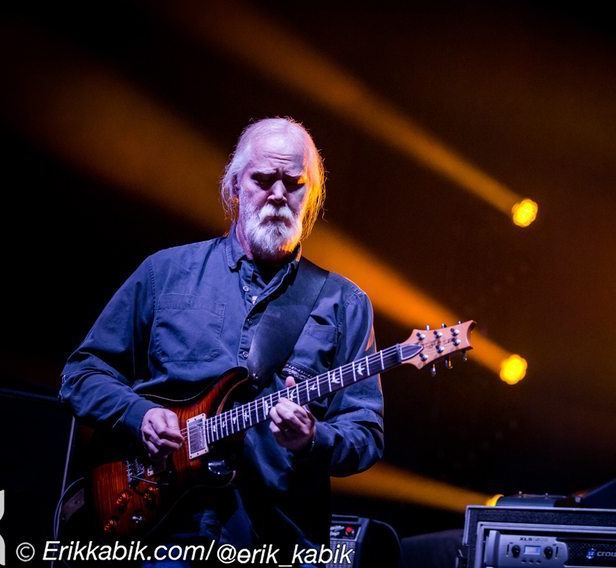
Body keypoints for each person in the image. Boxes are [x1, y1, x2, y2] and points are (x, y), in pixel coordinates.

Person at [59, 117, 385, 565]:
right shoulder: (165, 273)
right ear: (234, 186)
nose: (278, 194)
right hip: (158, 536)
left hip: (276, 545)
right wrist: (141, 415)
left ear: (311, 197)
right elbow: (81, 375)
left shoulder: (344, 303)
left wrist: (313, 439)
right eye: (262, 180)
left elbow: (365, 434)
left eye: (294, 184)